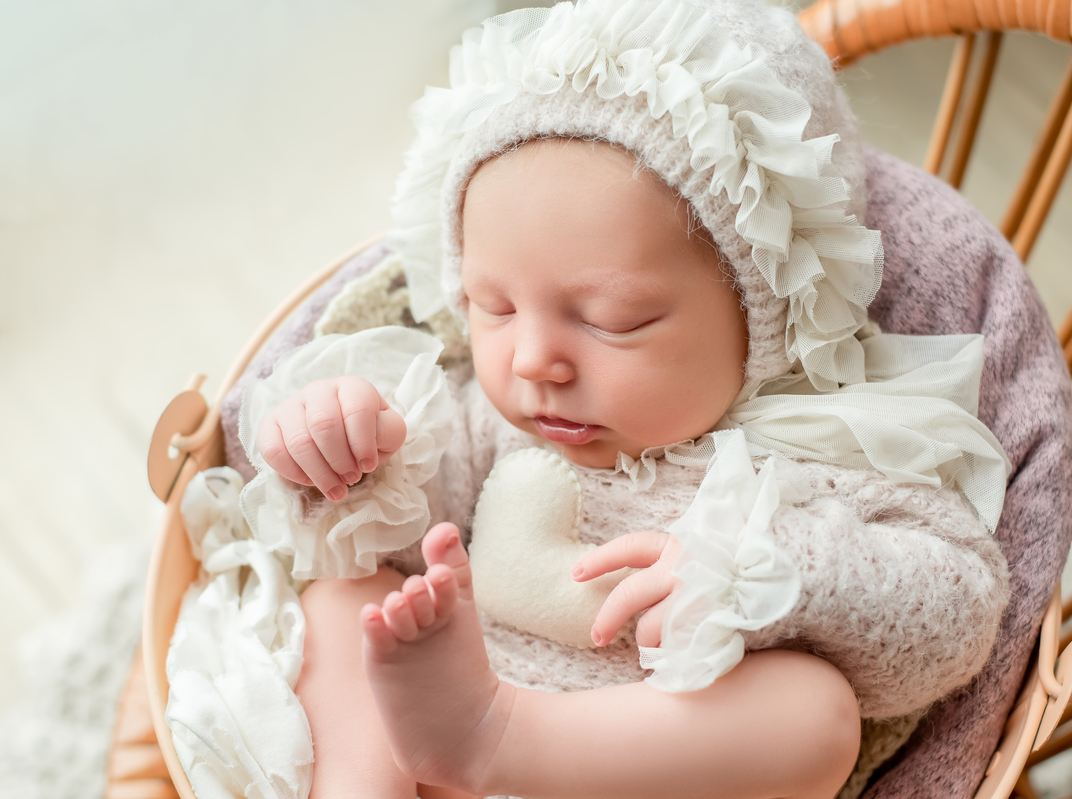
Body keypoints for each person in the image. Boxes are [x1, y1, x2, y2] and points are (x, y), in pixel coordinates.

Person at [240, 1, 1013, 797]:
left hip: (628, 769)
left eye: (614, 320)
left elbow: (957, 606)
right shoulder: (491, 427)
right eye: (494, 308)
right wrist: (342, 452)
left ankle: (498, 734)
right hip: (413, 760)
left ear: (764, 316)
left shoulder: (808, 449)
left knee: (815, 713)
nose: (536, 359)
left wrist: (764, 572)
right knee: (345, 595)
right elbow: (391, 539)